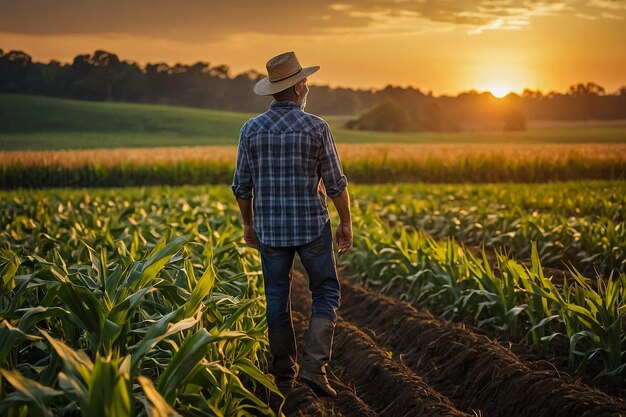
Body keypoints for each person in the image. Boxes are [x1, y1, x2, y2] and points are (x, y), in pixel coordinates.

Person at [232, 51, 352, 398]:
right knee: (326, 292)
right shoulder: (317, 127)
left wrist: (248, 224)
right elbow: (335, 183)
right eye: (306, 82)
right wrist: (346, 222)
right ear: (299, 87)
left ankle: (283, 376)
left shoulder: (250, 130)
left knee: (276, 300)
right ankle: (314, 369)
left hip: (270, 231)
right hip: (313, 227)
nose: (308, 86)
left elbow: (241, 186)